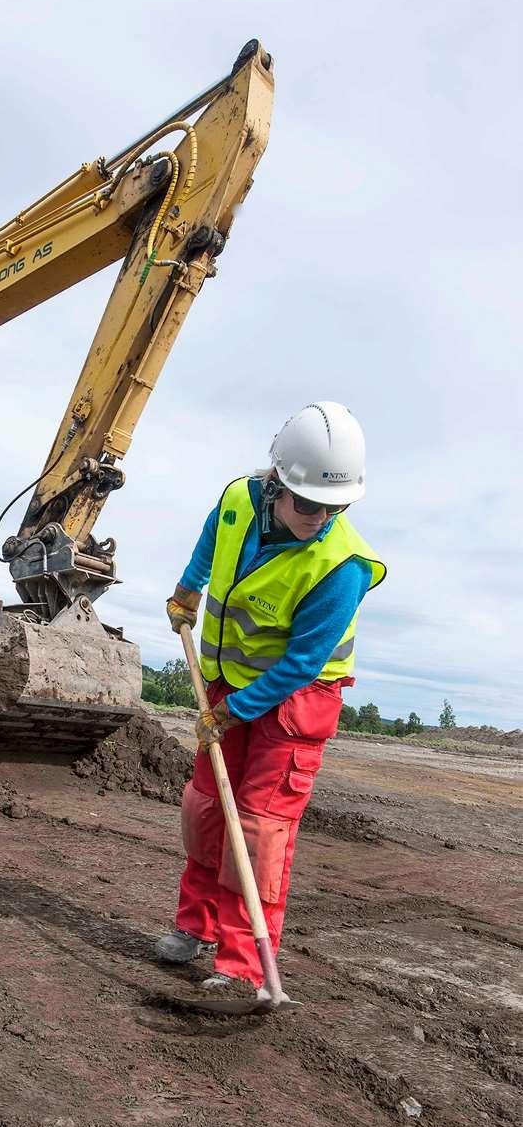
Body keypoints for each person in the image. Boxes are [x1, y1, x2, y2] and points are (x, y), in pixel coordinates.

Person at [156, 401, 386, 1002]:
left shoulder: (343, 566)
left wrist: (233, 709)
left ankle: (241, 967)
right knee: (206, 807)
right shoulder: (238, 498)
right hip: (227, 684)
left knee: (257, 830)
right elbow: (214, 538)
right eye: (308, 504)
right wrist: (188, 588)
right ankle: (195, 924)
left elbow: (302, 663)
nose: (319, 519)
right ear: (275, 485)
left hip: (295, 702)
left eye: (334, 508)